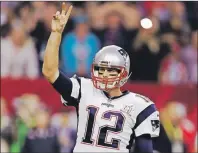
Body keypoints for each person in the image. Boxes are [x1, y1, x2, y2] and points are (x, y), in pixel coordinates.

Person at [42, 3, 160, 152]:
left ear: (123, 73)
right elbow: (50, 72)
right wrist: (56, 34)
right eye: (100, 69)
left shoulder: (142, 106)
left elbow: (145, 150)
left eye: (111, 70)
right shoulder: (84, 88)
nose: (104, 74)